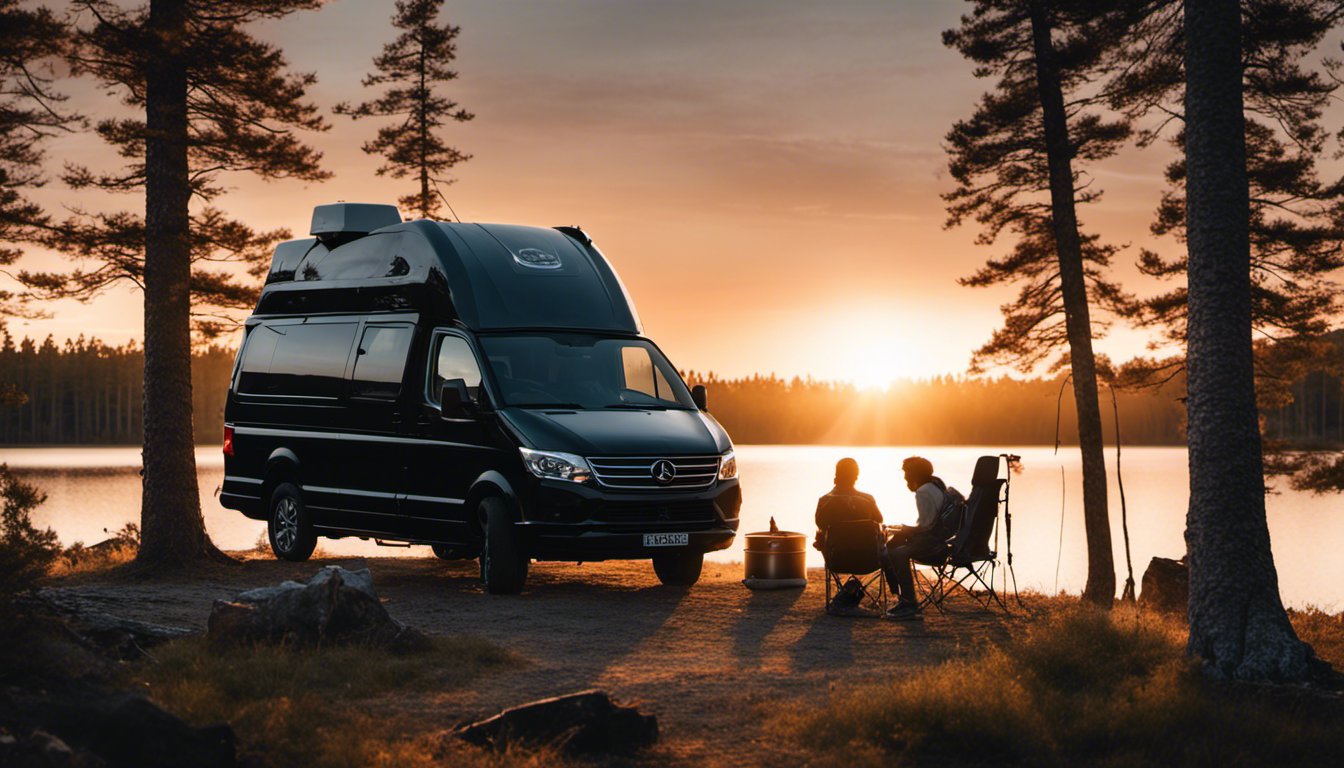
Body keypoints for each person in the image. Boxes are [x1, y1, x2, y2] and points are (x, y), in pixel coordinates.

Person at [815, 458, 900, 608]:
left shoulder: (825, 501)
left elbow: (820, 524)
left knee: (821, 536)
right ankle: (897, 593)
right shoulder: (867, 499)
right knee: (885, 538)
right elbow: (879, 520)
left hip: (837, 560)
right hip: (870, 560)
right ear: (856, 476)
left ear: (836, 474)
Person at [883, 456, 951, 621]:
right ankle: (902, 598)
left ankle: (908, 602)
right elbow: (929, 523)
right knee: (893, 546)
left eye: (906, 473)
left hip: (932, 545)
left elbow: (925, 527)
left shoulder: (923, 492)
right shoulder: (936, 486)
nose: (905, 477)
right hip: (942, 541)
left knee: (895, 553)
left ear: (914, 474)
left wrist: (904, 529)